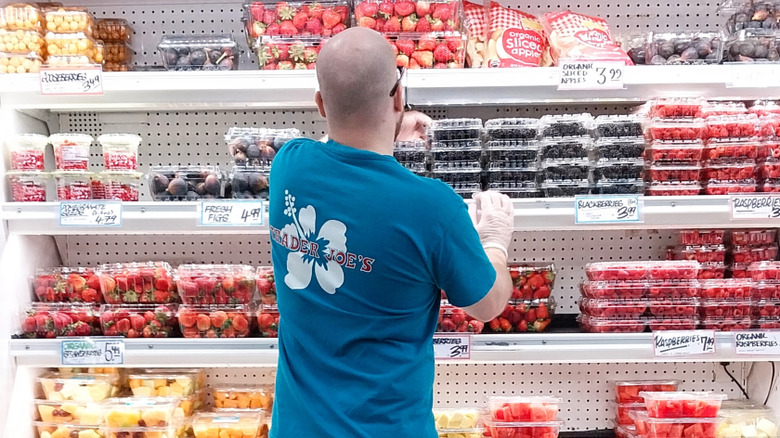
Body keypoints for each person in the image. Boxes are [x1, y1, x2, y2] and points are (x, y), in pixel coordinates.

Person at [268, 27, 516, 438]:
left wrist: (383, 127)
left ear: (319, 105)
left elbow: (337, 147)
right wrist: (495, 242)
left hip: (297, 428)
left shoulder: (288, 166)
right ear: (399, 97)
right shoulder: (432, 207)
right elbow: (486, 306)